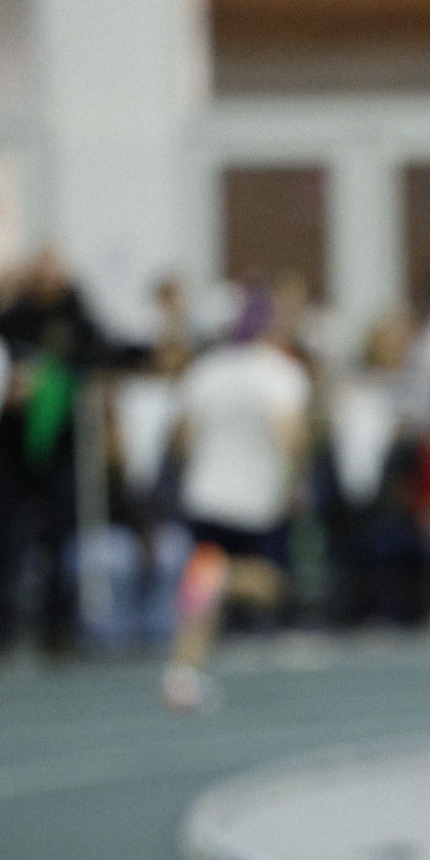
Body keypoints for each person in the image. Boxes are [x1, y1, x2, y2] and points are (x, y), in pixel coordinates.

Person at [162, 293, 310, 712]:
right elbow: (290, 436)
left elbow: (185, 438)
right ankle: (218, 586)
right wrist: (294, 485)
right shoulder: (280, 374)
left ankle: (184, 670)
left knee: (202, 589)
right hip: (253, 501)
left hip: (206, 494)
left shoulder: (206, 370)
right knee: (269, 584)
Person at [0, 250, 109, 657]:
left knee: (59, 543)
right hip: (9, 453)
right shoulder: (11, 317)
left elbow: (99, 356)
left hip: (59, 452)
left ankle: (59, 629)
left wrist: (54, 377)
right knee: (2, 544)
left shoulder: (78, 318)